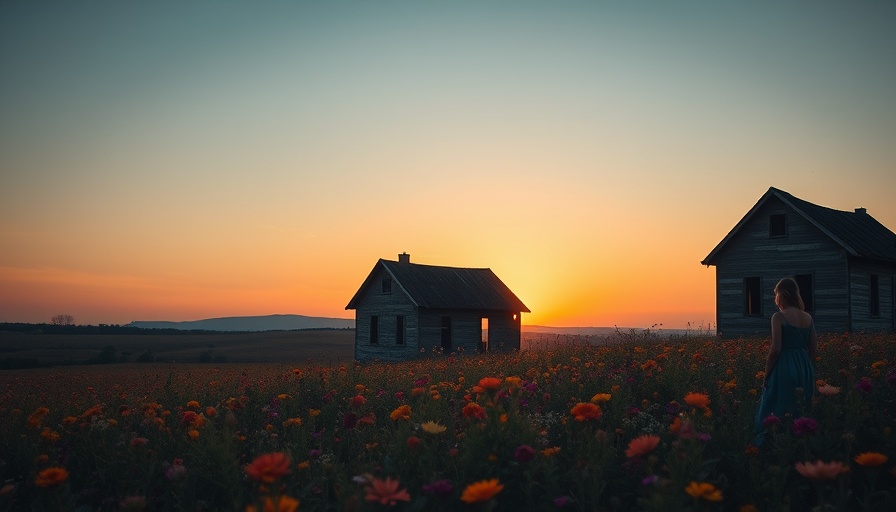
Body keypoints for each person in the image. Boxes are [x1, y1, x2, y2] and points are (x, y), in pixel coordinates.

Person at [754, 277, 817, 445]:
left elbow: (776, 348)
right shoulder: (808, 318)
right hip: (805, 367)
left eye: (776, 294)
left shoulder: (779, 317)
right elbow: (813, 347)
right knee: (801, 409)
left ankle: (772, 445)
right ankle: (800, 446)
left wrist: (766, 375)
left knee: (775, 406)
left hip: (784, 367)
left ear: (781, 295)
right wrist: (802, 362)